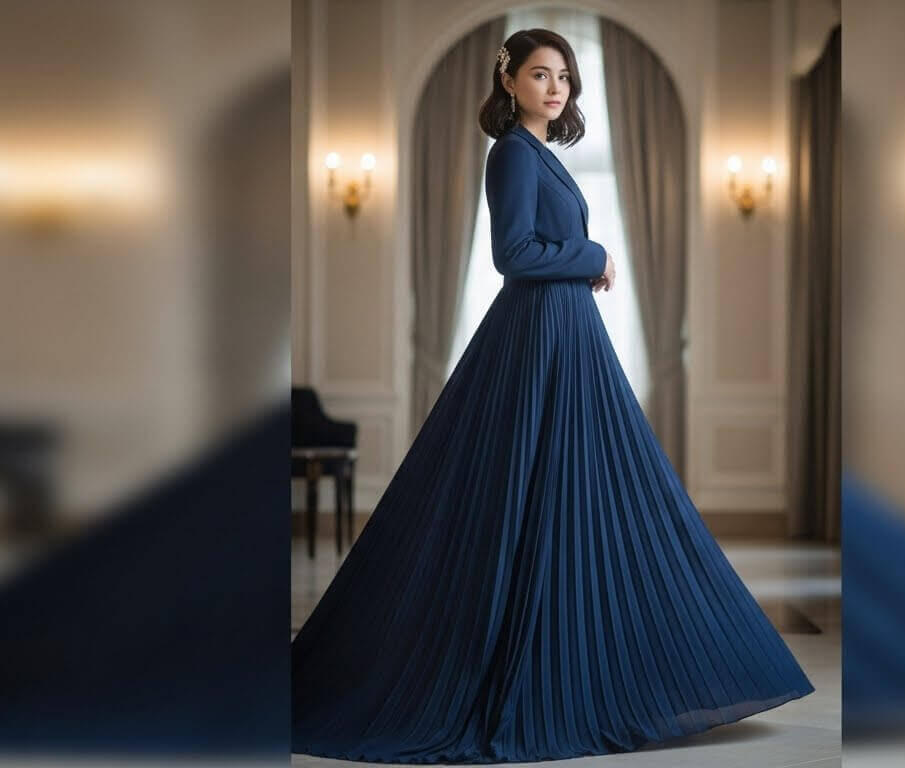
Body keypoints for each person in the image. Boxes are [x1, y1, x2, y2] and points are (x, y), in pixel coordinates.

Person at [290, 28, 814, 763]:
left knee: (591, 484)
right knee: (531, 486)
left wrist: (581, 264)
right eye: (539, 75)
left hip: (566, 334)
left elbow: (541, 252)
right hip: (538, 336)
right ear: (509, 83)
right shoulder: (510, 152)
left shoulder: (542, 154)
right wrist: (594, 256)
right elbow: (514, 255)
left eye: (563, 75)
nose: (555, 87)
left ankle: (600, 651)